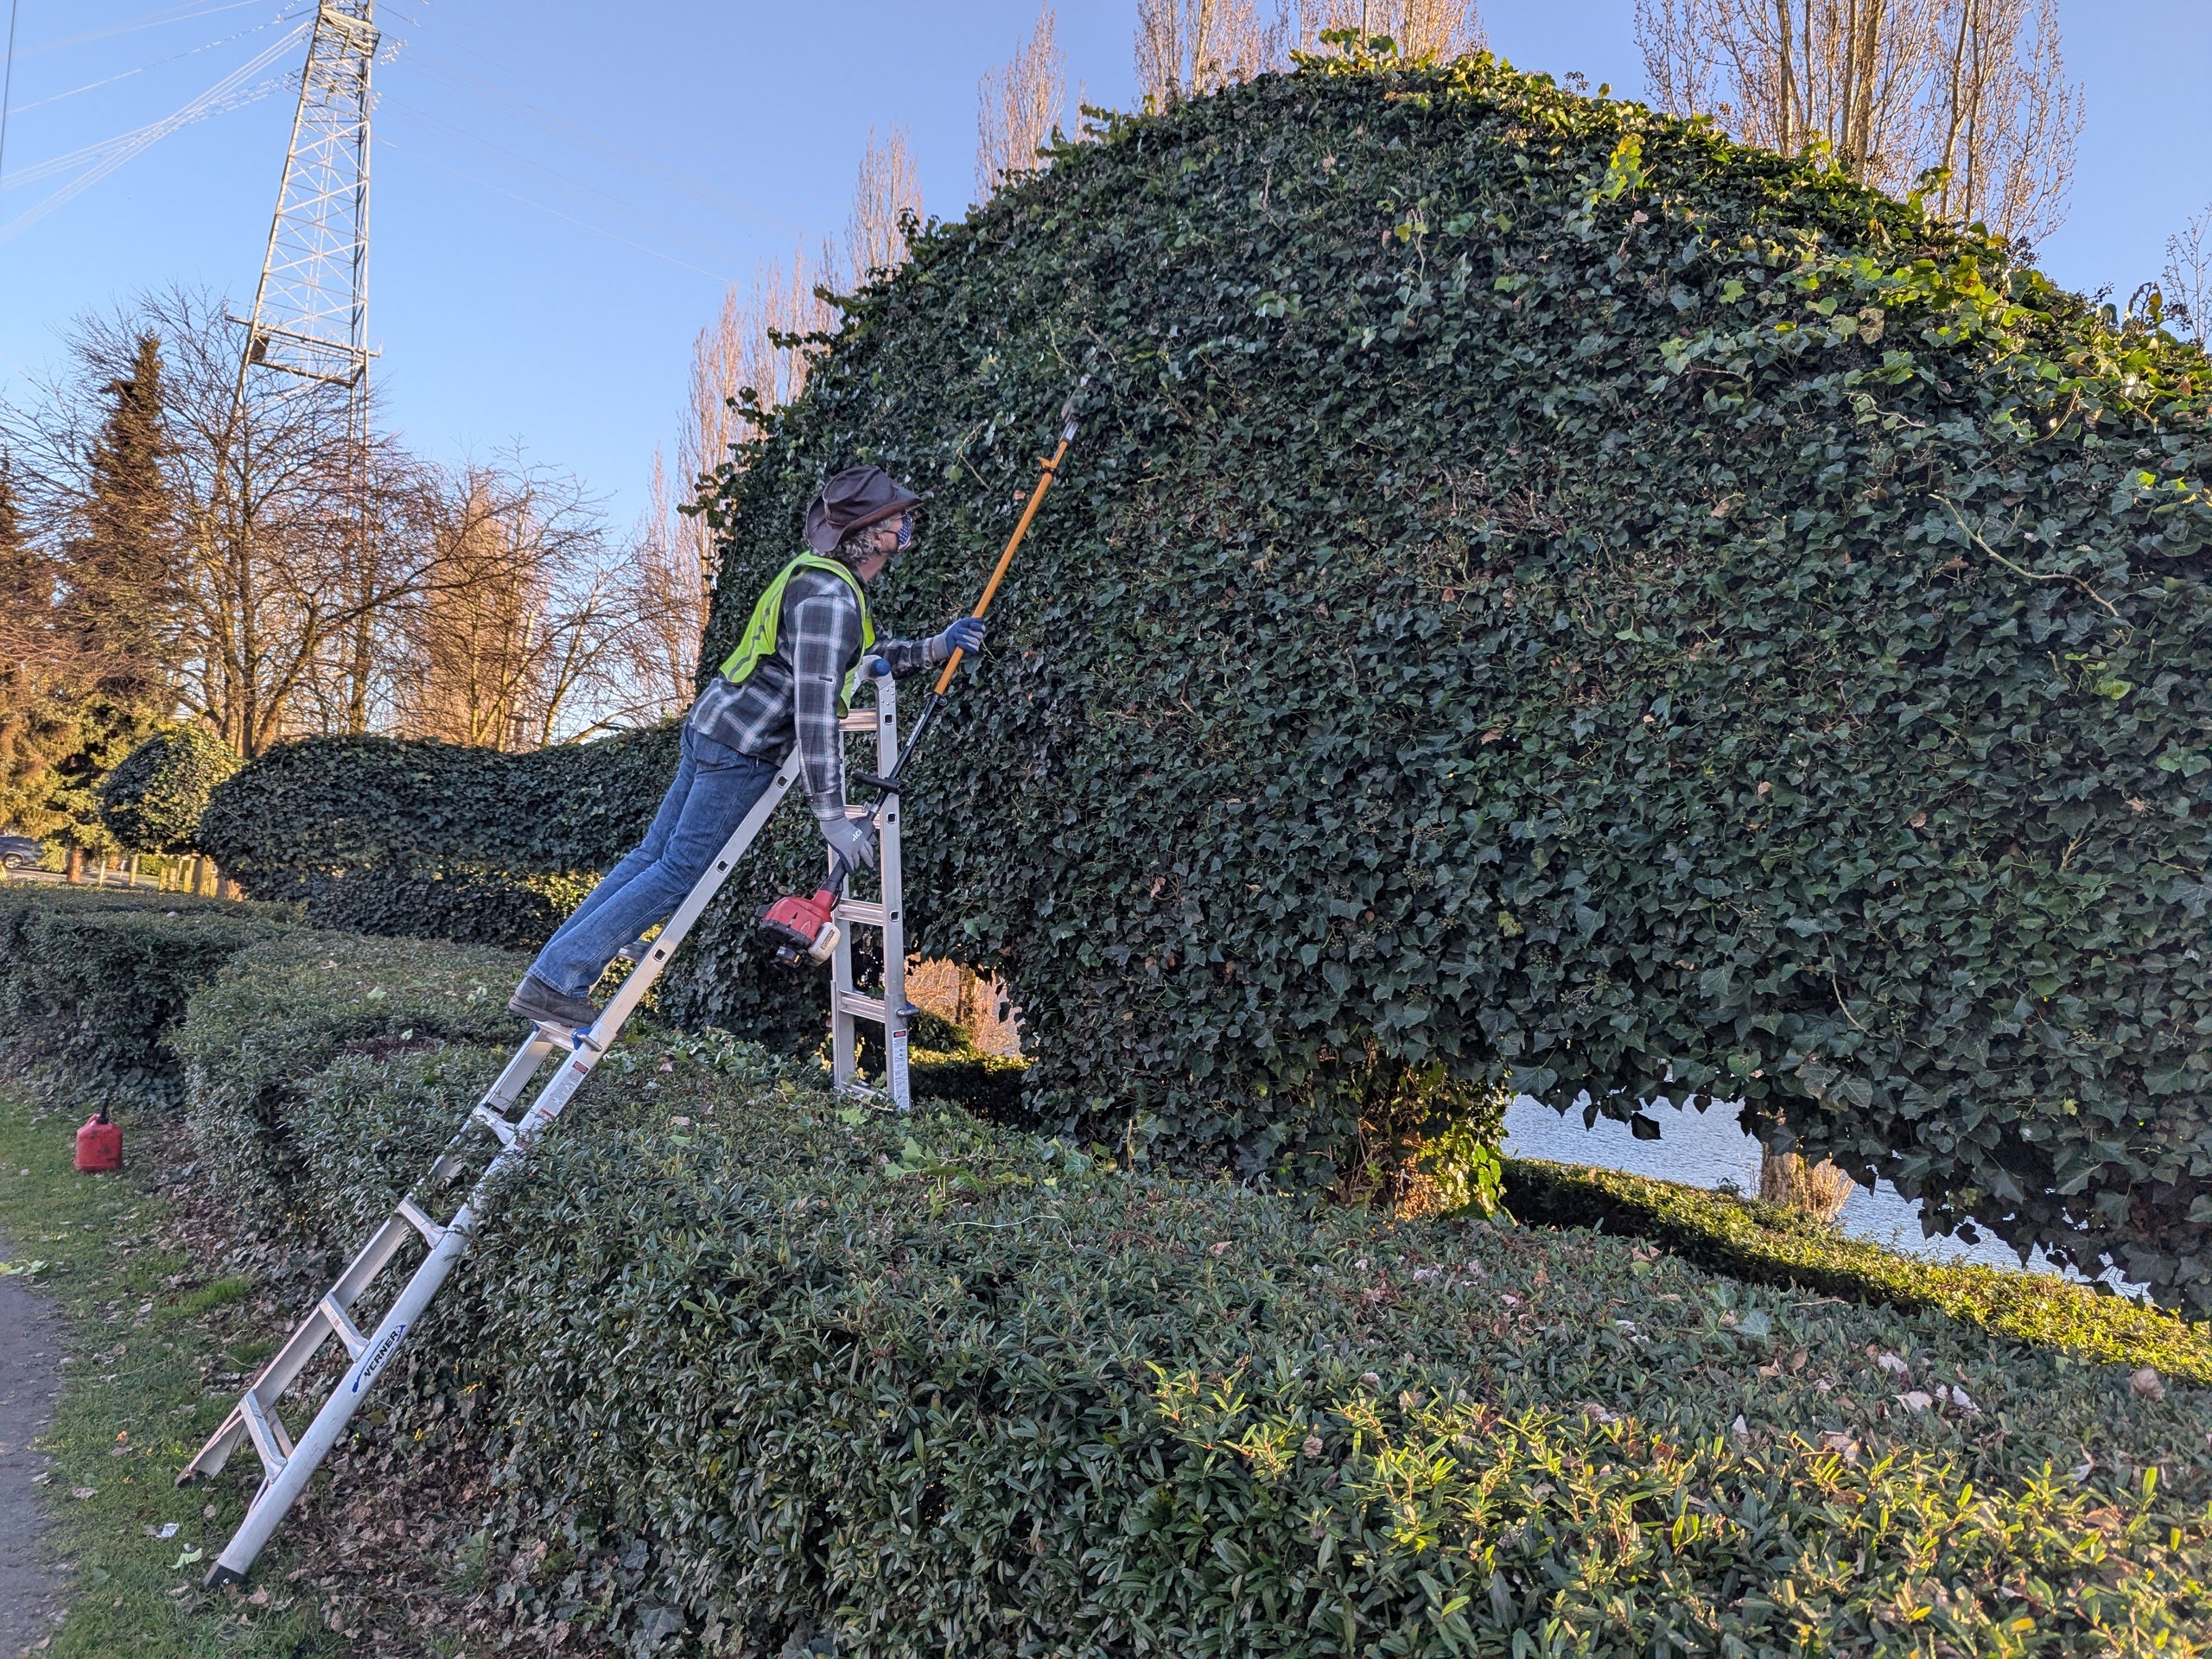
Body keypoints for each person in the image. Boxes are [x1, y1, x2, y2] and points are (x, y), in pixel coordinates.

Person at [507, 465, 983, 1032]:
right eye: (895, 520)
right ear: (868, 532)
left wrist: (933, 648)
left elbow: (858, 656)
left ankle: (556, 970)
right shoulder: (832, 597)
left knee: (651, 858)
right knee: (678, 871)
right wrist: (832, 816)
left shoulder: (817, 579)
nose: (904, 527)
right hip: (742, 748)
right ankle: (558, 979)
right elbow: (815, 711)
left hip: (714, 727)